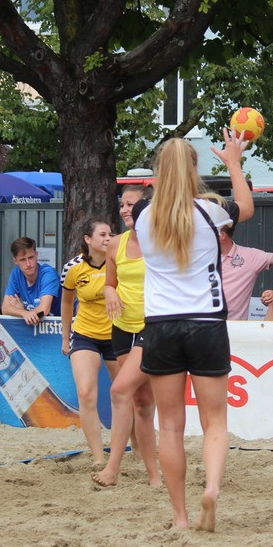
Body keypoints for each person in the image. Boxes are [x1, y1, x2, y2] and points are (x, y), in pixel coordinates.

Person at [134, 129, 254, 531]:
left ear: (157, 172)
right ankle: (213, 489)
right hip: (205, 322)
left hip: (161, 325)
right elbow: (246, 207)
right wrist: (234, 162)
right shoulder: (209, 211)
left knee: (169, 425)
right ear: (194, 170)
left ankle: (180, 517)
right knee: (215, 422)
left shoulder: (142, 215)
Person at [92, 184, 160, 489]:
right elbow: (110, 283)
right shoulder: (115, 244)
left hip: (152, 328)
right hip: (122, 326)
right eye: (121, 204)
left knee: (120, 391)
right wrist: (109, 293)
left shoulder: (160, 243)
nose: (123, 209)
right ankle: (154, 476)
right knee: (140, 403)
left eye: (129, 203)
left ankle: (112, 469)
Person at [60, 218, 118, 466]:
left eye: (110, 234)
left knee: (128, 396)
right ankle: (97, 456)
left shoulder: (119, 263)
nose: (108, 238)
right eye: (102, 234)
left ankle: (136, 445)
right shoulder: (73, 268)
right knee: (85, 393)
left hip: (118, 334)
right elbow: (65, 302)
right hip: (85, 334)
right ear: (88, 239)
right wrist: (65, 338)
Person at [219, 223, 273, 321]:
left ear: (222, 235)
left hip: (233, 328)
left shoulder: (248, 256)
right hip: (199, 325)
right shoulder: (200, 256)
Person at [1, 236, 61, 323]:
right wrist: (23, 313)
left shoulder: (48, 274)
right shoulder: (16, 273)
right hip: (39, 326)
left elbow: (44, 310)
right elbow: (5, 308)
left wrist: (25, 312)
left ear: (36, 255)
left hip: (61, 324)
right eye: (22, 260)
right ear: (15, 261)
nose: (28, 264)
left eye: (31, 258)